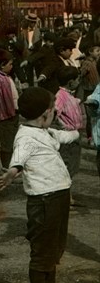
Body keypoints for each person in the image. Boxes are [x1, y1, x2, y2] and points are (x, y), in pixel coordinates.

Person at [0, 87, 83, 283]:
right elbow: (18, 159)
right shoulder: (25, 137)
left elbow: (64, 137)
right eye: (53, 110)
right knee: (43, 252)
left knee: (54, 249)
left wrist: (76, 132)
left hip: (59, 197)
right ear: (45, 114)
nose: (55, 113)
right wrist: (12, 172)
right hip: (44, 201)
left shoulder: (45, 131)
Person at [54, 66, 84, 196]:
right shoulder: (60, 96)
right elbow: (55, 112)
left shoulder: (68, 94)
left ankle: (67, 195)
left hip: (75, 135)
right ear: (70, 81)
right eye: (77, 79)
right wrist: (62, 125)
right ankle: (65, 195)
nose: (78, 81)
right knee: (67, 165)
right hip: (68, 137)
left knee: (73, 165)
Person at [0, 49, 20, 171]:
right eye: (10, 64)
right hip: (5, 115)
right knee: (7, 144)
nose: (12, 67)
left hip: (12, 113)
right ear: (2, 65)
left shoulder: (5, 77)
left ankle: (11, 167)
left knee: (12, 142)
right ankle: (6, 168)